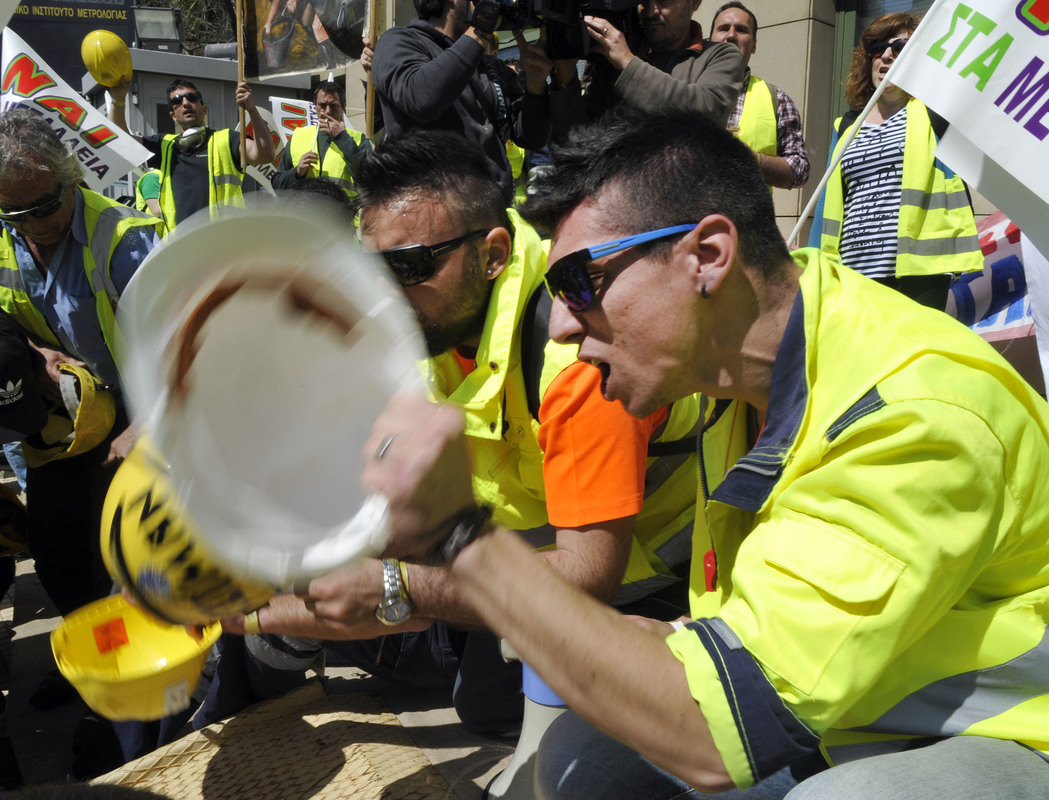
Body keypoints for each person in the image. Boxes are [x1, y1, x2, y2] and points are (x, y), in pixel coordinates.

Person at [358, 109, 1049, 800]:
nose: (568, 323)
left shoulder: (908, 412)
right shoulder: (735, 377)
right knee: (588, 754)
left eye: (582, 282)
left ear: (709, 257)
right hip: (866, 714)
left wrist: (458, 545)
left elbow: (711, 737)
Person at [214, 130, 701, 738]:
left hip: (641, 578)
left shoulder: (575, 364)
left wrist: (401, 589)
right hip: (510, 542)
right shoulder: (429, 326)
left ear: (494, 254)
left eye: (409, 266)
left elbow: (590, 573)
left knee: (484, 701)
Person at [0, 110, 161, 708]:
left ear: (72, 182)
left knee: (116, 557)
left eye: (41, 208)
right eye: (12, 213)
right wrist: (31, 350)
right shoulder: (8, 232)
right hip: (62, 422)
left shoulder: (124, 241)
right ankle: (89, 659)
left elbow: (189, 341)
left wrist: (145, 423)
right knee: (57, 548)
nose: (30, 226)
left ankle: (126, 684)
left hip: (132, 416)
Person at [808, 12, 981, 309]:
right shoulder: (847, 125)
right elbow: (826, 203)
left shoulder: (935, 113)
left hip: (919, 272)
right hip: (854, 273)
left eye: (899, 47)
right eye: (877, 48)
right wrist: (812, 266)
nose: (886, 54)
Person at [360, 0, 553, 203]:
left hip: (490, 214)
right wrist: (482, 27)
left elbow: (532, 138)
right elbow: (422, 98)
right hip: (433, 219)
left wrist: (536, 86)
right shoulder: (398, 42)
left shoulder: (489, 66)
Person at [108, 79, 274, 231]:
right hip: (180, 250)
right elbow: (121, 143)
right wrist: (118, 100)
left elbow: (266, 154)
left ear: (204, 109)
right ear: (173, 116)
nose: (185, 103)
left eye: (191, 98)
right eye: (177, 101)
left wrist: (251, 109)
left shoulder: (227, 139)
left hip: (222, 247)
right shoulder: (165, 145)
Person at [550, 0, 743, 130]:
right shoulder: (612, 64)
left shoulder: (721, 55)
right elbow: (579, 143)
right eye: (644, 1)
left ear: (694, 2)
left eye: (663, 1)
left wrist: (628, 63)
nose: (651, 12)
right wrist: (565, 75)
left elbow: (705, 117)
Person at [709, 2, 809, 191]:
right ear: (709, 41)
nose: (731, 35)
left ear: (754, 45)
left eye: (741, 30)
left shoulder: (777, 100)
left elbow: (800, 171)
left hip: (749, 219)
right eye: (723, 28)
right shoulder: (685, 87)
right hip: (690, 219)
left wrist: (753, 159)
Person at [270, 82, 372, 203]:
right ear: (315, 106)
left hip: (342, 218)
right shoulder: (298, 137)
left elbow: (370, 178)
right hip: (304, 217)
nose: (327, 111)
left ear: (344, 106)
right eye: (322, 105)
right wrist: (297, 172)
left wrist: (341, 137)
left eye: (333, 105)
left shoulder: (359, 139)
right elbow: (277, 186)